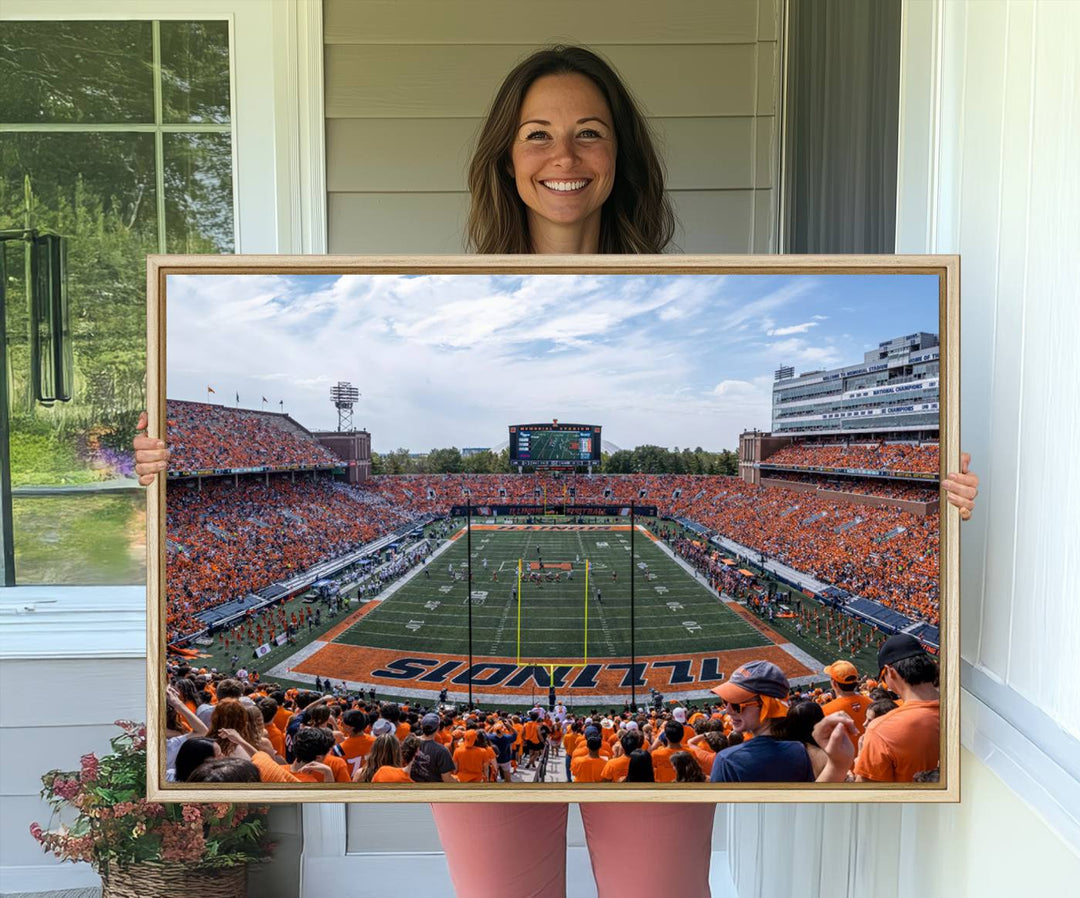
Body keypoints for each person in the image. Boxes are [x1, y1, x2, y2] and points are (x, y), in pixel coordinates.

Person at [133, 42, 981, 898]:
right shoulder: (439, 283)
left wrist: (939, 501)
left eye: (590, 133)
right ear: (505, 157)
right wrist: (158, 474)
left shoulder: (694, 285)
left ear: (623, 156)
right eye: (537, 133)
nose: (564, 156)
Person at [853, 634, 941, 783]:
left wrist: (860, 759)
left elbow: (865, 798)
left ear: (890, 672)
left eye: (883, 676)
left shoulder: (881, 730)